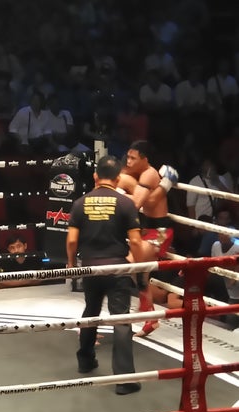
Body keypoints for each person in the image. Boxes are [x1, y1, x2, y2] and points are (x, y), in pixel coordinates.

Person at [66, 155, 144, 395]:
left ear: (95, 176)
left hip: (91, 267)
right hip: (117, 267)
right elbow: (136, 241)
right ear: (118, 178)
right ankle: (124, 379)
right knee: (120, 320)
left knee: (91, 312)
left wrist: (72, 264)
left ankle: (85, 361)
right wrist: (139, 269)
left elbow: (72, 240)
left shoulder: (80, 203)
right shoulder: (125, 203)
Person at [117, 140, 179, 336]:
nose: (128, 161)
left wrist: (118, 195)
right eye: (128, 157)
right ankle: (151, 319)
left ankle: (124, 318)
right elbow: (148, 201)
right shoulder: (135, 173)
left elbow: (138, 204)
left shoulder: (149, 174)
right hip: (147, 230)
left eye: (133, 158)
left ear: (144, 159)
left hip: (159, 232)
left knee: (128, 266)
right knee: (140, 274)